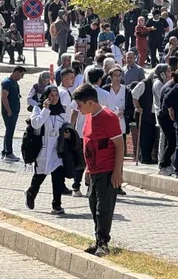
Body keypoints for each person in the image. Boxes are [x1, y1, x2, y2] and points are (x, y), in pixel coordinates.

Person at [73, 83, 124, 257]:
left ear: (90, 102)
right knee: (93, 205)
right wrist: (87, 168)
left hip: (107, 170)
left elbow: (120, 145)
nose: (78, 109)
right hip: (93, 171)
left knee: (104, 208)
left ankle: (103, 243)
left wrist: (117, 172)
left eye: (80, 105)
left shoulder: (109, 118)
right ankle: (98, 241)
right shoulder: (88, 117)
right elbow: (89, 144)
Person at [25, 85, 69, 215]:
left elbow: (67, 125)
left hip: (57, 150)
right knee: (39, 176)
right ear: (46, 97)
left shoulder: (62, 110)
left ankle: (57, 205)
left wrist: (68, 133)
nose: (54, 98)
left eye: (56, 96)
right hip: (43, 149)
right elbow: (36, 124)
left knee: (58, 179)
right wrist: (45, 110)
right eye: (51, 95)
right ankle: (30, 193)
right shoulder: (38, 109)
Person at [1, 66, 26, 162]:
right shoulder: (7, 82)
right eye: (21, 74)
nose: (21, 77)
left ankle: (5, 150)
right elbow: (4, 97)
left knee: (9, 131)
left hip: (14, 110)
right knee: (9, 131)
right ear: (15, 72)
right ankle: (8, 153)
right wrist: (9, 110)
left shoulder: (15, 82)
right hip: (9, 111)